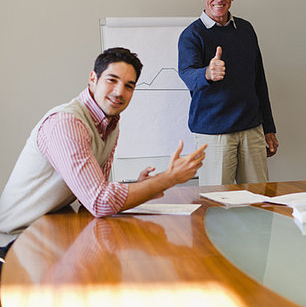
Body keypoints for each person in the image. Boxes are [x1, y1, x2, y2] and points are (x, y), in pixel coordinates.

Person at [0, 47, 207, 274]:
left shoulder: (110, 124)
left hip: (52, 230)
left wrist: (143, 185)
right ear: (92, 79)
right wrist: (168, 179)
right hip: (16, 242)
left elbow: (95, 196)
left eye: (129, 86)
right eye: (112, 80)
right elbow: (100, 202)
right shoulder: (67, 123)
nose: (119, 92)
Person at [178, 0, 278, 185]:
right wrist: (207, 73)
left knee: (257, 201)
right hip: (214, 135)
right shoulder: (192, 35)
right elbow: (186, 74)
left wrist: (269, 128)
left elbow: (259, 81)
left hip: (252, 130)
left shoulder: (246, 29)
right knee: (216, 205)